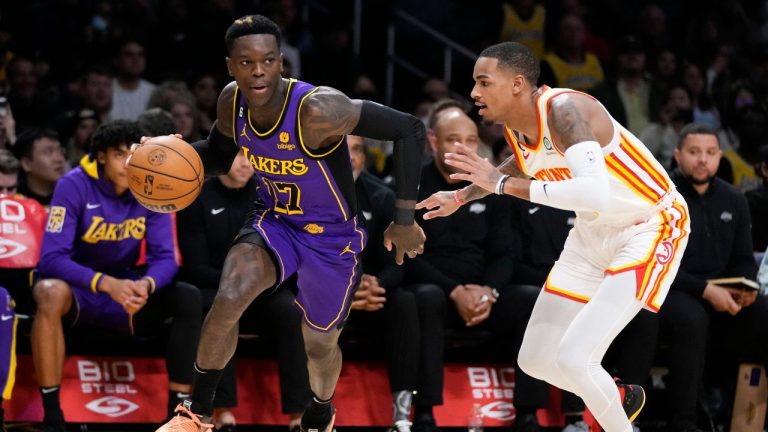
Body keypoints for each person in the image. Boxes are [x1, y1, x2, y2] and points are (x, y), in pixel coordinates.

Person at [153, 15, 426, 432]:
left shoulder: (318, 109)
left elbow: (409, 128)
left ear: (282, 62)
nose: (258, 70)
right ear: (231, 66)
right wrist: (164, 157)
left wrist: (404, 219)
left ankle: (321, 409)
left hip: (332, 237)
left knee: (318, 344)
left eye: (267, 60)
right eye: (246, 62)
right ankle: (197, 412)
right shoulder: (232, 101)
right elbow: (218, 156)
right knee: (229, 296)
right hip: (274, 220)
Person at [417, 42, 689, 432]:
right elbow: (524, 164)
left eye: (483, 82)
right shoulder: (516, 127)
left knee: (577, 357)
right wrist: (462, 196)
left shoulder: (564, 111)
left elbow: (590, 191)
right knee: (537, 360)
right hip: (593, 232)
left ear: (516, 83)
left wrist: (501, 186)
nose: (474, 92)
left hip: (649, 225)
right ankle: (616, 395)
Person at [31, 120, 202, 432]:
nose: (128, 163)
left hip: (125, 290)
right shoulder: (73, 185)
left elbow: (165, 258)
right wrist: (105, 284)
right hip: (80, 290)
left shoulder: (152, 184)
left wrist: (146, 285)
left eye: (133, 154)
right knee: (48, 291)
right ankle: (52, 414)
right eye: (118, 155)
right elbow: (51, 258)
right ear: (100, 156)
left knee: (188, 296)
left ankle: (178, 414)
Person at [406, 99, 544, 432]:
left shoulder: (489, 186)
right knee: (423, 297)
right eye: (454, 140)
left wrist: (489, 291)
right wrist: (454, 291)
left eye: (471, 141)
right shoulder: (409, 184)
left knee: (531, 298)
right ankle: (424, 412)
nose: (464, 148)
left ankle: (528, 414)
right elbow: (409, 256)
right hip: (438, 292)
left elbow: (504, 254)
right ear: (433, 141)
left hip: (483, 295)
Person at [176, 151, 310, 432]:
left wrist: (253, 285)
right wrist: (238, 287)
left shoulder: (270, 196)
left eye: (252, 156)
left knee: (291, 311)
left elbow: (286, 257)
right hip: (217, 288)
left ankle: (299, 416)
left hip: (264, 292)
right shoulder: (197, 197)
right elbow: (195, 266)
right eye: (237, 155)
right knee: (224, 307)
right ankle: (221, 411)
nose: (246, 162)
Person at [660, 124, 768, 432]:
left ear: (720, 157)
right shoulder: (664, 197)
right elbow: (659, 264)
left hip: (723, 295)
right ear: (678, 155)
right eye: (694, 152)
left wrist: (746, 288)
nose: (702, 160)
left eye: (710, 153)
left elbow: (744, 261)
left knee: (764, 310)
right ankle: (685, 423)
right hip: (674, 289)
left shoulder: (735, 200)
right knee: (692, 318)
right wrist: (705, 290)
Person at [344, 135, 417, 432]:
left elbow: (397, 262)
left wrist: (376, 284)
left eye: (358, 150)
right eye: (342, 149)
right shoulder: (306, 195)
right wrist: (347, 291)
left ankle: (402, 415)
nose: (351, 157)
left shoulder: (382, 196)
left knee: (406, 301)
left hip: (371, 293)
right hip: (327, 291)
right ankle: (314, 410)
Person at [11, 128, 67, 206]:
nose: (59, 159)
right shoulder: (14, 200)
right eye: (48, 152)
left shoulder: (72, 196)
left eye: (60, 151)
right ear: (26, 164)